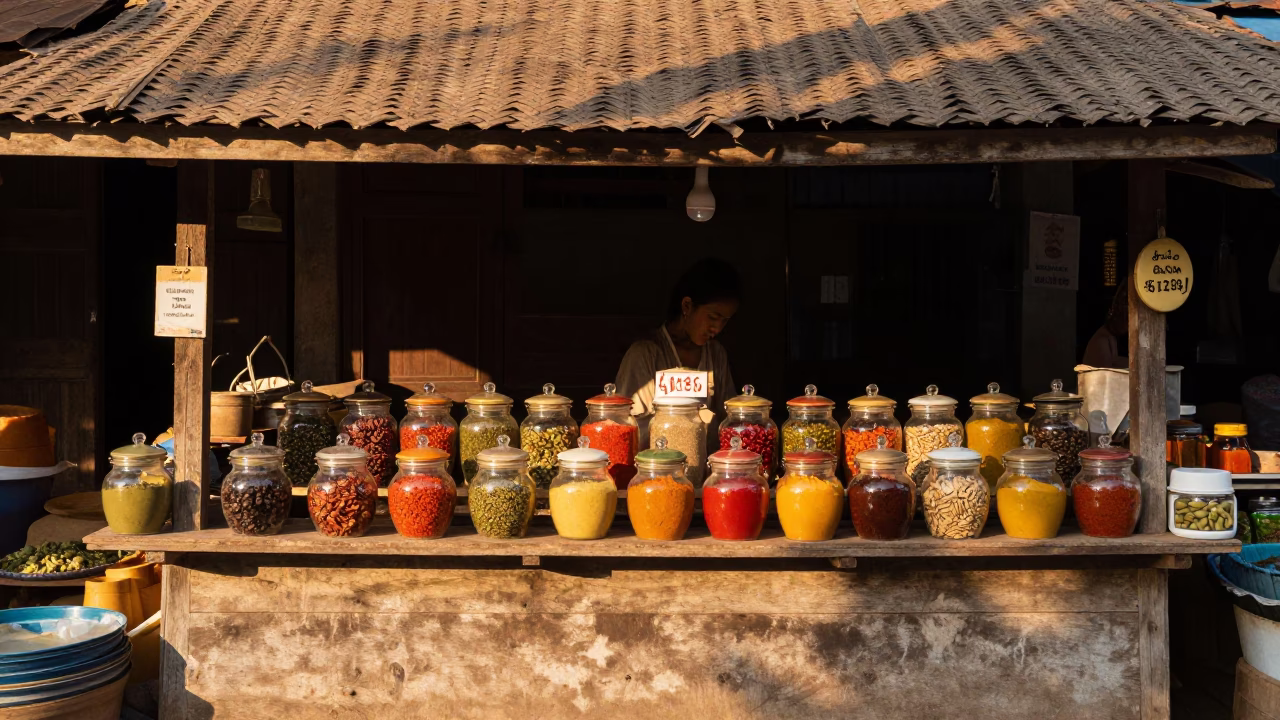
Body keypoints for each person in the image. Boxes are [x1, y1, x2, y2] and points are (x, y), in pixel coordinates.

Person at [615, 258, 741, 441]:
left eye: (725, 320)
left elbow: (729, 417)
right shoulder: (645, 354)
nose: (718, 328)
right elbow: (626, 425)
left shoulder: (716, 354)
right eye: (713, 317)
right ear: (687, 306)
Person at [1082, 284, 1128, 369]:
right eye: (1126, 320)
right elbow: (1107, 371)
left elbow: (1115, 361)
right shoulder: (1102, 340)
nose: (1127, 328)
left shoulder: (1111, 337)